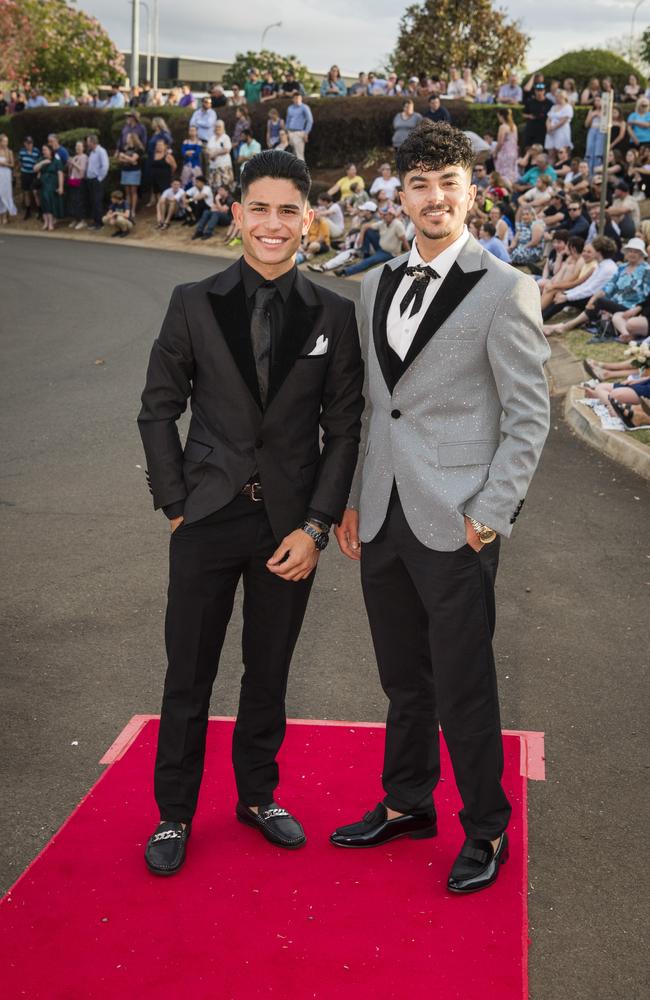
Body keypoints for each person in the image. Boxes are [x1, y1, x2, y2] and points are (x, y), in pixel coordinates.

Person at [330, 120, 550, 896]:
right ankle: (407, 802)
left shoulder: (504, 288)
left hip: (458, 519)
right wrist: (357, 500)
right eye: (418, 183)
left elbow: (529, 416)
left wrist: (488, 514)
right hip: (384, 515)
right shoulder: (374, 285)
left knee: (463, 683)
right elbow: (371, 409)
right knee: (403, 678)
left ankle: (485, 828)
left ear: (472, 191)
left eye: (448, 181)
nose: (433, 197)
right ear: (401, 194)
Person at [138, 149, 364, 875]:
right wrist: (176, 504)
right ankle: (174, 811)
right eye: (259, 208)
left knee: (268, 671)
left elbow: (345, 427)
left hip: (289, 529)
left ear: (309, 221)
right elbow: (158, 409)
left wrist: (318, 525)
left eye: (288, 210)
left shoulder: (335, 311)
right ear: (237, 215)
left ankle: (258, 795)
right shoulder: (192, 302)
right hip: (205, 518)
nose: (273, 224)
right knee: (189, 673)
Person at [542, 235, 618, 328]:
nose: (587, 252)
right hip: (591, 296)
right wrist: (566, 294)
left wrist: (567, 297)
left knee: (562, 299)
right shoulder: (602, 265)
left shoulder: (607, 268)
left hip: (595, 301)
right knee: (561, 295)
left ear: (598, 251)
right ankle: (538, 315)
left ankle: (540, 318)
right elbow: (586, 285)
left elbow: (590, 290)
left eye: (592, 250)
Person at [336, 203, 409, 276]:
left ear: (391, 215)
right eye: (382, 214)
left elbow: (404, 241)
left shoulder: (397, 225)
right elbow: (365, 226)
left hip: (389, 253)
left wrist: (409, 255)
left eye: (385, 215)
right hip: (380, 247)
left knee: (368, 261)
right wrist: (361, 237)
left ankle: (345, 272)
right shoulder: (383, 222)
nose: (382, 216)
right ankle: (365, 253)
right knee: (368, 231)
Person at [33, 145, 64, 231]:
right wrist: (43, 162)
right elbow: (34, 169)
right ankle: (46, 222)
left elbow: (60, 174)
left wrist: (61, 187)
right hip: (43, 184)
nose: (43, 152)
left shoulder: (57, 161)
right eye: (43, 150)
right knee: (44, 203)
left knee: (49, 203)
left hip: (52, 185)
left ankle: (51, 223)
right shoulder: (41, 159)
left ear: (50, 151)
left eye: (45, 150)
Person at [118, 133, 144, 221]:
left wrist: (125, 157)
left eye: (128, 137)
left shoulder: (139, 149)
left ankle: (133, 210)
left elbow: (134, 160)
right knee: (127, 192)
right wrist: (130, 160)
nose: (126, 139)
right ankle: (128, 210)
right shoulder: (125, 148)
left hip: (134, 172)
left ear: (132, 138)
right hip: (125, 171)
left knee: (133, 191)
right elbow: (120, 159)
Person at [85, 134, 109, 230]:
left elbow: (105, 166)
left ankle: (100, 223)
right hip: (90, 180)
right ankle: (95, 221)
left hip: (97, 180)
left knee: (97, 201)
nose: (87, 143)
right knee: (93, 201)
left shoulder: (101, 151)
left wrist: (99, 178)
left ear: (93, 142)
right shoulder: (91, 152)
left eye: (88, 141)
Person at [522, 83, 553, 149]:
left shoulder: (550, 103)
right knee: (528, 148)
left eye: (541, 90)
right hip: (531, 129)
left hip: (543, 130)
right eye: (538, 90)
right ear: (535, 91)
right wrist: (529, 116)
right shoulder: (530, 102)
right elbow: (523, 114)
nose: (539, 92)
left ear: (544, 91)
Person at [544, 90, 573, 160]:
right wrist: (548, 127)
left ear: (564, 97)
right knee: (551, 153)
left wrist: (554, 127)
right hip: (551, 132)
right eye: (556, 97)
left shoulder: (568, 107)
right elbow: (548, 119)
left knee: (561, 152)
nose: (557, 98)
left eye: (559, 97)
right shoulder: (553, 107)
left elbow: (564, 120)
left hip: (561, 132)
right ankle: (550, 170)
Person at [285, 92, 313, 162]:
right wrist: (286, 132)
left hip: (299, 132)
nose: (297, 100)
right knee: (292, 154)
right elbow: (288, 120)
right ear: (293, 99)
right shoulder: (290, 108)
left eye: (299, 98)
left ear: (301, 98)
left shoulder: (305, 107)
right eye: (295, 98)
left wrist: (306, 133)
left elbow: (310, 121)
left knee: (299, 155)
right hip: (290, 132)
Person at [66, 140, 88, 230]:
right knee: (72, 200)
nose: (77, 148)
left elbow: (82, 170)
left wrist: (73, 163)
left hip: (79, 181)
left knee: (79, 201)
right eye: (76, 146)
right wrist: (69, 164)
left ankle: (82, 220)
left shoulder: (84, 157)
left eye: (79, 146)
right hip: (72, 180)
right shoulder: (75, 157)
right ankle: (75, 218)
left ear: (83, 148)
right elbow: (70, 170)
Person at [494, 108, 519, 184]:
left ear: (501, 116)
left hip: (504, 153)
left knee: (502, 173)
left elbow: (500, 142)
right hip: (513, 152)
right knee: (511, 172)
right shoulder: (514, 126)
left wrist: (495, 152)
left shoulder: (503, 127)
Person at [206, 121, 233, 189]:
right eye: (216, 126)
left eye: (219, 127)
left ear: (223, 128)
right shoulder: (211, 138)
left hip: (223, 166)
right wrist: (210, 155)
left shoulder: (225, 137)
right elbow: (207, 149)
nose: (217, 128)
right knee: (213, 187)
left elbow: (227, 149)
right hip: (213, 167)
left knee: (225, 187)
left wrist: (215, 153)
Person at [18, 136, 40, 220]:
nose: (30, 145)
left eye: (31, 143)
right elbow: (20, 162)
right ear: (24, 144)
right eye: (28, 143)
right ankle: (28, 211)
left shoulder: (36, 151)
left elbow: (39, 162)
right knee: (26, 192)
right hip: (25, 174)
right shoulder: (22, 152)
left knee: (35, 192)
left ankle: (39, 211)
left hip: (33, 174)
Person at [0, 134, 17, 223]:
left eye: (7, 141)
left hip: (6, 173)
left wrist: (5, 164)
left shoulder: (9, 152)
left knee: (5, 194)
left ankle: (5, 216)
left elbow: (13, 164)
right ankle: (1, 215)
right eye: (4, 141)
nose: (6, 143)